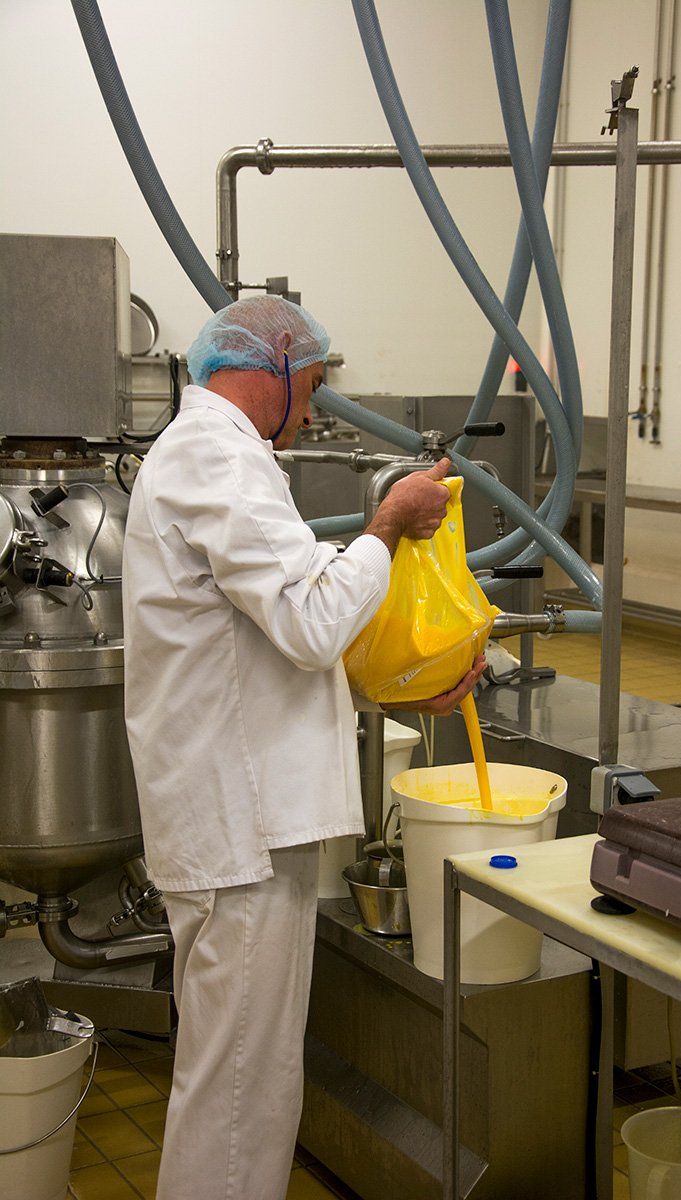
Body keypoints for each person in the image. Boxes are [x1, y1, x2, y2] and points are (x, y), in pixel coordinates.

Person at [122, 295, 485, 1200]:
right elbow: (311, 620)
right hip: (240, 825)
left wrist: (396, 682)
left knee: (237, 1082)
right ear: (274, 365)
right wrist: (389, 523)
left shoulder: (216, 457)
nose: (317, 411)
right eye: (314, 385)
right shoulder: (217, 456)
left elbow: (264, 646)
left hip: (239, 814)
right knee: (241, 1095)